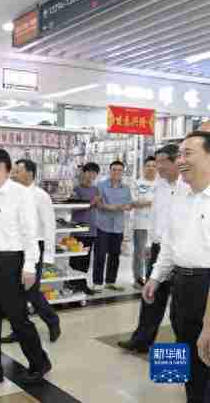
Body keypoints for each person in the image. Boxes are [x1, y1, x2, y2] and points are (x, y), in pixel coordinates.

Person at [0, 149, 51, 390]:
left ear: (2, 166)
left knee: (18, 319)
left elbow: (30, 233)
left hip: (12, 264)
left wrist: (29, 266)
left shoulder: (20, 194)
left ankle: (39, 362)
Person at [144, 132, 210, 403]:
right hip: (182, 283)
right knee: (184, 349)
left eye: (188, 154)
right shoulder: (180, 197)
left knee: (206, 348)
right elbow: (170, 245)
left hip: (207, 287)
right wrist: (155, 278)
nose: (180, 160)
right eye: (179, 154)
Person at [118, 144, 187, 353]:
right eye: (156, 163)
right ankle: (141, 340)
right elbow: (156, 217)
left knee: (180, 309)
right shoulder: (160, 185)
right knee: (151, 295)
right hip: (160, 249)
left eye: (162, 163)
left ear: (176, 161)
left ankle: (185, 353)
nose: (157, 167)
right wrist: (151, 244)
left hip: (182, 252)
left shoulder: (188, 186)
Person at [2, 159, 61, 344]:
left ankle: (52, 320)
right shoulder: (12, 194)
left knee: (31, 292)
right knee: (14, 292)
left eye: (18, 171)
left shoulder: (41, 196)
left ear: (29, 173)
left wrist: (50, 254)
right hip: (15, 248)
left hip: (35, 247)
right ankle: (18, 329)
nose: (14, 174)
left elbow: (49, 226)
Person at [93, 161, 132, 292]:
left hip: (118, 226)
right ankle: (97, 282)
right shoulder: (101, 186)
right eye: (114, 169)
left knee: (115, 255)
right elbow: (97, 204)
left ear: (122, 172)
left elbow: (129, 205)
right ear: (110, 171)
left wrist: (125, 207)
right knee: (100, 255)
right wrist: (108, 207)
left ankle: (111, 281)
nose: (117, 172)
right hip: (102, 225)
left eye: (119, 170)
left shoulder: (126, 188)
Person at [69, 162, 100, 295]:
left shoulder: (95, 189)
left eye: (94, 173)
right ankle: (72, 284)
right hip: (78, 230)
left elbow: (97, 207)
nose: (91, 175)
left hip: (91, 230)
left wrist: (97, 204)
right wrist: (90, 203)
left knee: (86, 259)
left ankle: (82, 284)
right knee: (75, 259)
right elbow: (73, 207)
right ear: (83, 173)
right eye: (88, 172)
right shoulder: (76, 189)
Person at [130, 156, 157, 288]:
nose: (151, 168)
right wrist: (153, 202)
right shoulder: (137, 183)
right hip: (140, 224)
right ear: (144, 167)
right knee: (139, 253)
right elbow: (134, 202)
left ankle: (150, 278)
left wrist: (146, 202)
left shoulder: (160, 183)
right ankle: (138, 279)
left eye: (154, 165)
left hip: (156, 225)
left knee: (152, 253)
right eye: (148, 165)